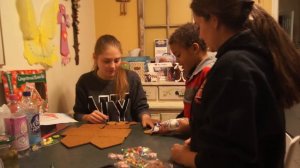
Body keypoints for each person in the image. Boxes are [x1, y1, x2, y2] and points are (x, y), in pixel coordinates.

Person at [171, 0, 300, 167]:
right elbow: (235, 134)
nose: (200, 34)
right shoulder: (251, 57)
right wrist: (202, 139)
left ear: (214, 20)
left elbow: (232, 160)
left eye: (199, 25)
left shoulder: (233, 68)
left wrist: (184, 157)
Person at [73, 34, 154, 128]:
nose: (112, 66)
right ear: (95, 58)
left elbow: (141, 107)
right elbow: (78, 114)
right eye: (106, 61)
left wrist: (145, 117)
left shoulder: (132, 78)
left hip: (127, 134)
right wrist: (87, 117)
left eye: (117, 60)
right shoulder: (84, 81)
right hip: (97, 135)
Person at [156, 23, 215, 135]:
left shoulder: (209, 73)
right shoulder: (193, 73)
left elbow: (210, 120)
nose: (177, 61)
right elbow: (190, 112)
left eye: (178, 55)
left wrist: (186, 126)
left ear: (194, 48)